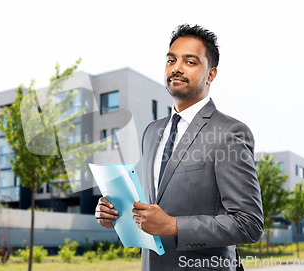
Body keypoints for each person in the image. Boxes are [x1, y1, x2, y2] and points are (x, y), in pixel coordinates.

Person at [95, 24, 264, 271]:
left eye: (190, 62)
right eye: (171, 60)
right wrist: (116, 217)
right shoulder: (151, 132)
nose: (176, 67)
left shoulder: (229, 132)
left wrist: (173, 226)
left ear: (211, 74)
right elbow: (152, 207)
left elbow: (249, 224)